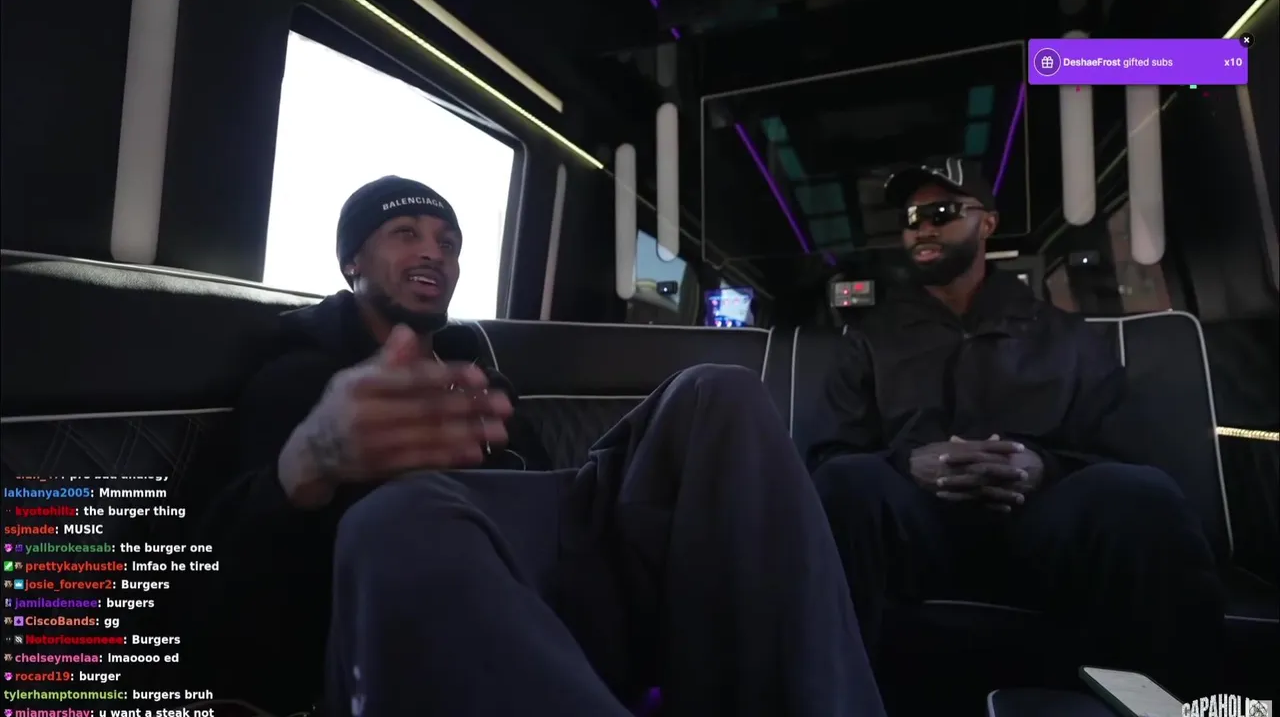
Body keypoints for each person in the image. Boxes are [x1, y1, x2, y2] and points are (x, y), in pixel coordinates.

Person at [189, 176, 884, 717]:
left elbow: (559, 508)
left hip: (558, 593)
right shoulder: (299, 379)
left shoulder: (479, 378)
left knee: (719, 391)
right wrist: (307, 465)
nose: (433, 251)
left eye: (448, 241)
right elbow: (211, 579)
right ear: (351, 261)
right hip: (416, 620)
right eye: (405, 233)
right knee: (406, 508)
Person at [807, 157, 1224, 696]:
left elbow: (1123, 445)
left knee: (1141, 494)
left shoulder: (1064, 336)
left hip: (1040, 523)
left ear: (987, 223)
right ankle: (828, 698)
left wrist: (1043, 467)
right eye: (912, 218)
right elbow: (828, 454)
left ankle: (1167, 704)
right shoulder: (872, 339)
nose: (922, 227)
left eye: (941, 213)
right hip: (917, 527)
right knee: (844, 485)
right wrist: (908, 464)